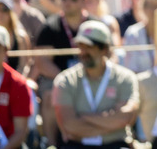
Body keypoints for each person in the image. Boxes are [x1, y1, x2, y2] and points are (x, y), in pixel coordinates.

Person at [52, 20, 139, 149]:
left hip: (114, 145)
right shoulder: (65, 80)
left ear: (104, 49)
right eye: (81, 46)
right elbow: (69, 125)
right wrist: (112, 127)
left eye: (89, 46)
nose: (83, 52)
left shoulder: (125, 78)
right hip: (77, 145)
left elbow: (124, 118)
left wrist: (84, 117)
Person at [34, 0, 87, 146]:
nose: (67, 2)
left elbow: (108, 56)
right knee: (51, 96)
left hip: (91, 76)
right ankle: (51, 144)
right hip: (57, 78)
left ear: (83, 1)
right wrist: (66, 79)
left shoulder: (93, 25)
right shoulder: (50, 26)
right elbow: (42, 62)